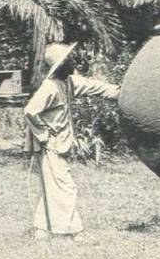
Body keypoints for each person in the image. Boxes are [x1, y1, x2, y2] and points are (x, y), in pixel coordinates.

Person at [22, 43, 120, 241]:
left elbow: (94, 86)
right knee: (65, 187)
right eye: (67, 60)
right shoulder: (49, 87)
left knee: (52, 186)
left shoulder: (69, 82)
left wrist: (120, 92)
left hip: (60, 143)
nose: (72, 62)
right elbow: (30, 111)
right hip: (51, 145)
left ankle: (42, 230)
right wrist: (44, 135)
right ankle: (73, 231)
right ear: (59, 65)